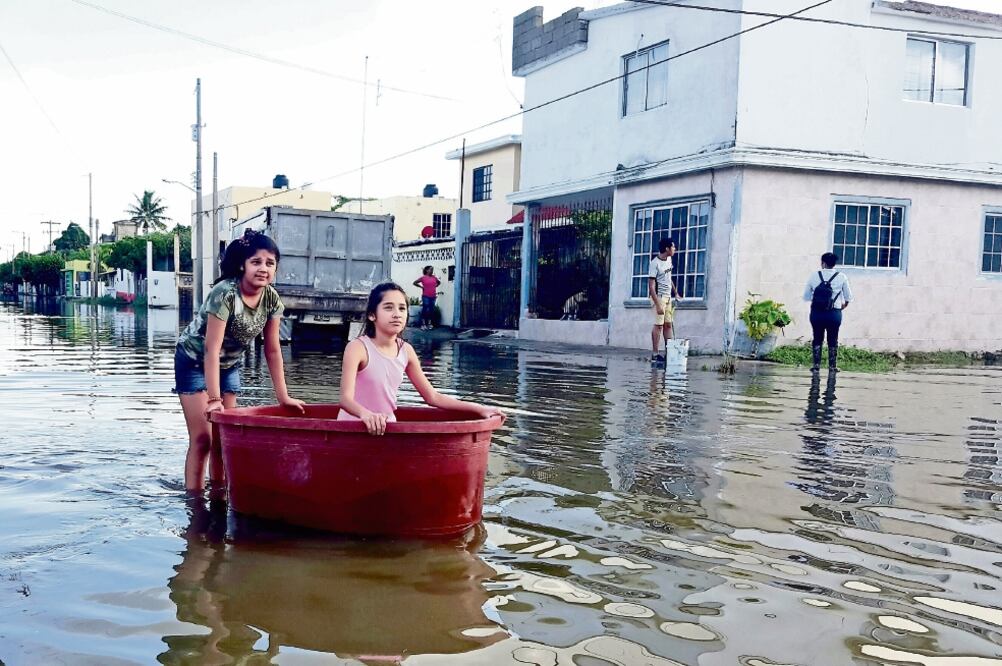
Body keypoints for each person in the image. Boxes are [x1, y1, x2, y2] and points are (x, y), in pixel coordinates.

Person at [174, 229, 305, 492]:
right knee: (202, 440)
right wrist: (214, 399)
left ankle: (220, 497)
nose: (263, 269)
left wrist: (284, 397)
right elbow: (212, 349)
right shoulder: (225, 293)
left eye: (270, 263)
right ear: (242, 265)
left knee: (223, 439)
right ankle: (195, 504)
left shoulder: (271, 299)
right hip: (193, 360)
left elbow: (272, 350)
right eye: (256, 262)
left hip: (228, 366)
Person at [338, 282, 501, 434]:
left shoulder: (406, 351)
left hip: (387, 431)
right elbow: (346, 399)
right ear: (372, 315)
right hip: (352, 430)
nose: (397, 314)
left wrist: (480, 408)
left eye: (402, 309)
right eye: (388, 308)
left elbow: (433, 397)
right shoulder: (357, 348)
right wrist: (366, 415)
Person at [804, 251, 853, 373]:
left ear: (823, 263)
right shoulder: (841, 277)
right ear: (834, 264)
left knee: (817, 337)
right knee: (833, 338)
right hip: (834, 313)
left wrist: (818, 301)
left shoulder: (814, 276)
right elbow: (848, 297)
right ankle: (832, 366)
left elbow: (806, 296)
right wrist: (842, 306)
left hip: (817, 313)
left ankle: (816, 366)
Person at [648, 237, 678, 365]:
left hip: (668, 296)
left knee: (668, 325)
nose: (674, 249)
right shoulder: (655, 263)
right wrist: (658, 304)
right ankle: (655, 354)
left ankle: (669, 352)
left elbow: (668, 277)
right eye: (673, 247)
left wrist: (675, 292)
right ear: (667, 248)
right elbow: (651, 286)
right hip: (658, 296)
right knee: (658, 326)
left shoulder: (669, 259)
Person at [412, 266, 441, 331]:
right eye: (430, 269)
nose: (432, 271)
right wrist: (421, 287)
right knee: (425, 309)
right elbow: (414, 282)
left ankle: (429, 323)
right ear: (427, 270)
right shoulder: (423, 278)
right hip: (426, 296)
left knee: (431, 310)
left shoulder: (434, 277)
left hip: (433, 296)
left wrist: (436, 286)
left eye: (432, 270)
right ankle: (423, 324)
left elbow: (439, 282)